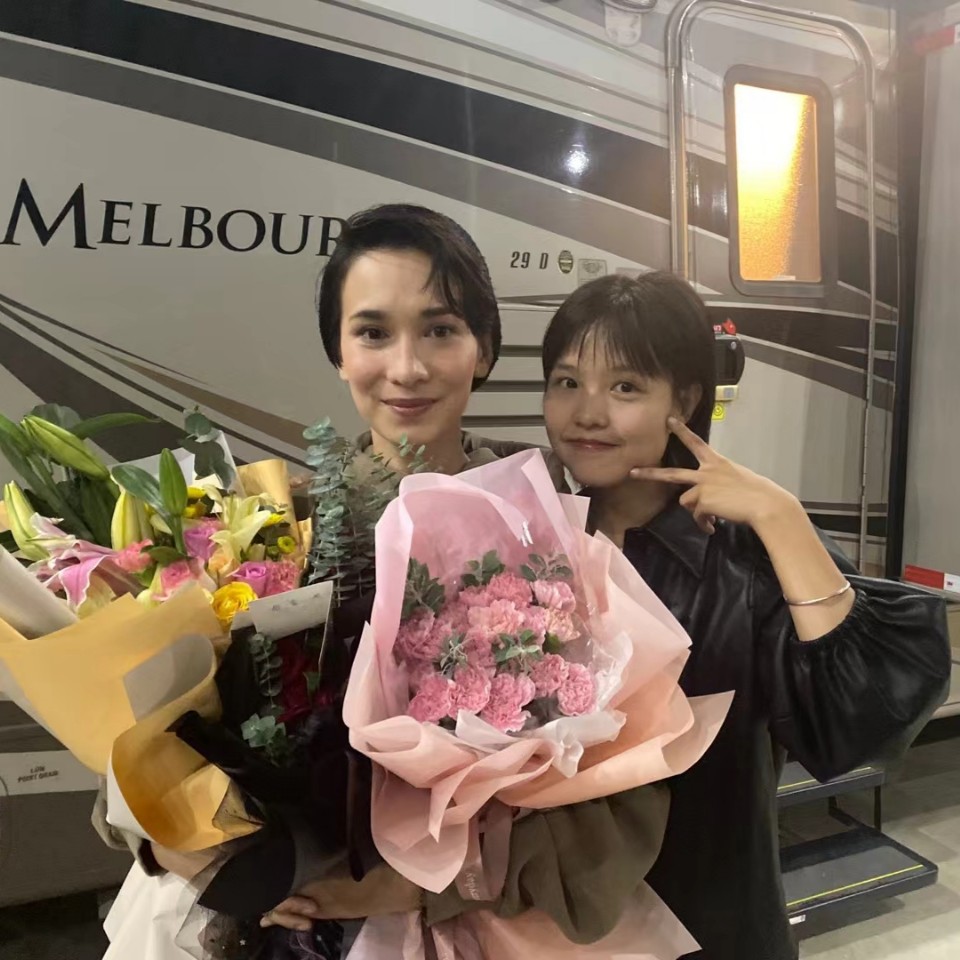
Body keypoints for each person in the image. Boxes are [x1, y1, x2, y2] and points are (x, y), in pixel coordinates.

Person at [96, 203, 564, 956]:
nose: (406, 368)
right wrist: (186, 849)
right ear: (338, 352)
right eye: (373, 333)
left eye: (440, 330)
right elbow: (147, 732)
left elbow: (590, 780)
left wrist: (432, 883)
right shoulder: (278, 531)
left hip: (462, 924)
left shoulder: (539, 530)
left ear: (483, 347)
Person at [538, 270, 951, 960]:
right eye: (566, 382)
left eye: (625, 387)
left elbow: (862, 727)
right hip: (551, 928)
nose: (586, 412)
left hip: (709, 925)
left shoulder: (744, 560)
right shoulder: (530, 541)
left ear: (684, 400)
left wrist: (780, 516)